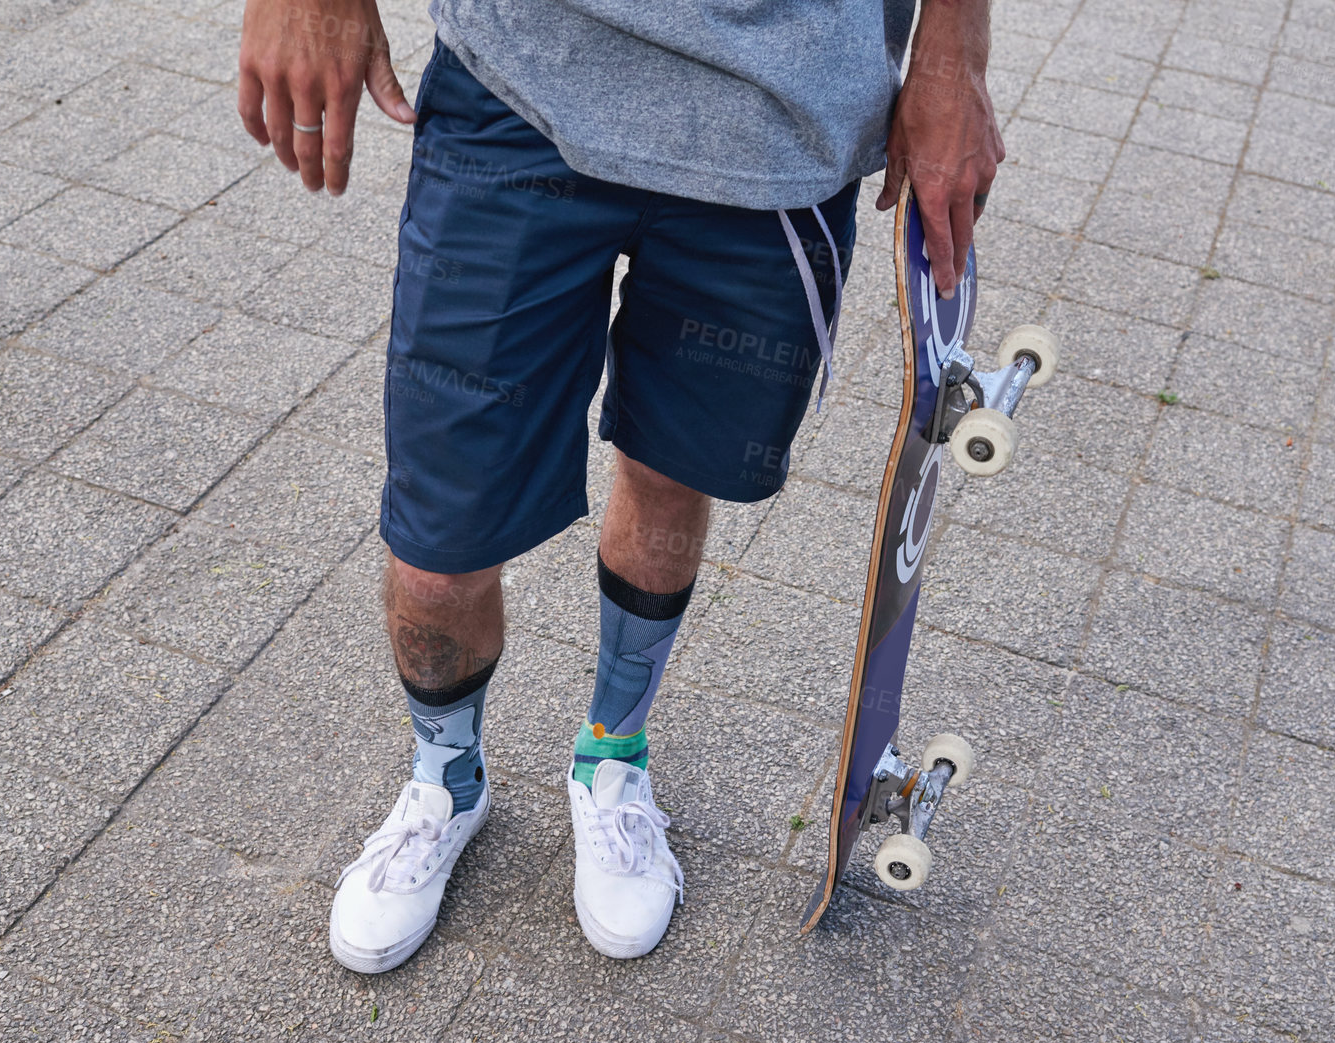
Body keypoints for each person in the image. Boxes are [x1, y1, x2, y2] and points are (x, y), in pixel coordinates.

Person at [237, 0, 1003, 970]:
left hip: (779, 116)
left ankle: (611, 758)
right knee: (437, 552)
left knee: (671, 474)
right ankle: (447, 778)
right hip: (523, 80)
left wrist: (953, 48)